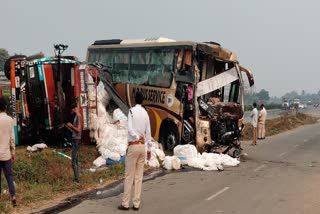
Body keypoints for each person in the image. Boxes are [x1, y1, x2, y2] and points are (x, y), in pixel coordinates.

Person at [118, 91, 151, 211]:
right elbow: (148, 133)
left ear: (134, 99)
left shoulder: (131, 111)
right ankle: (136, 203)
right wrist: (149, 149)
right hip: (143, 147)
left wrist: (136, 137)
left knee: (129, 176)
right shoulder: (146, 114)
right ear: (142, 101)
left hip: (133, 146)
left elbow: (130, 128)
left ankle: (125, 203)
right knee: (138, 177)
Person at [0, 97, 17, 206]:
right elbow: (12, 138)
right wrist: (13, 152)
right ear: (6, 107)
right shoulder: (10, 120)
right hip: (6, 155)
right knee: (9, 176)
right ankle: (13, 196)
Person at [65, 102, 81, 183]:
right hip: (75, 139)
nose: (72, 111)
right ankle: (78, 177)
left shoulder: (78, 116)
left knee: (74, 161)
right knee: (76, 160)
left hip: (76, 140)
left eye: (72, 109)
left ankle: (77, 179)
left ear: (74, 108)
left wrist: (71, 126)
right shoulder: (76, 116)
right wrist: (69, 128)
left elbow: (78, 130)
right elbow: (75, 131)